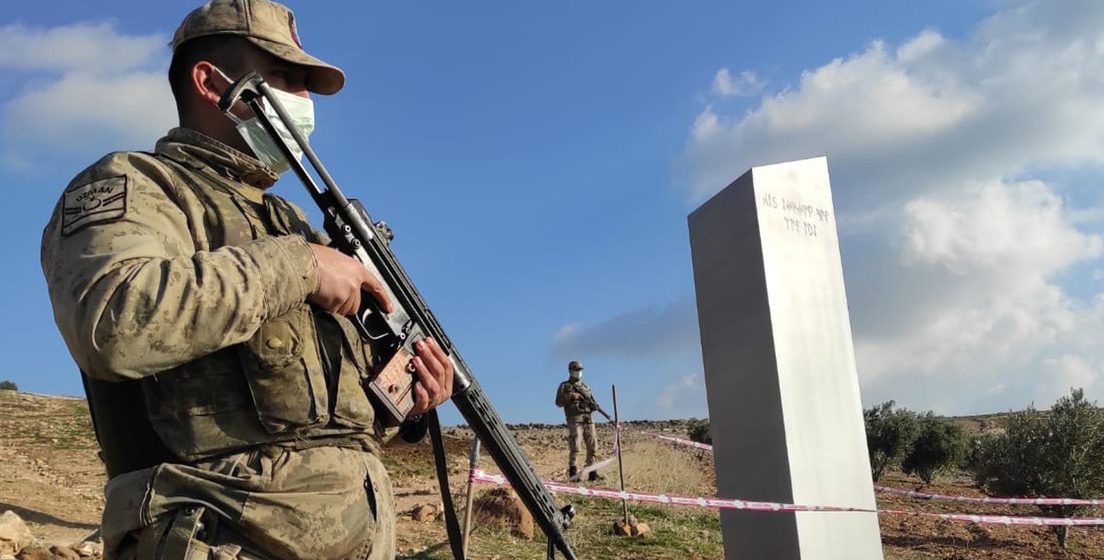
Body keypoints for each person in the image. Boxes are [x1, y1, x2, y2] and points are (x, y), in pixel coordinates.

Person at [39, 1, 454, 559]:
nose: (303, 101)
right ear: (211, 83)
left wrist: (406, 400)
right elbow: (112, 323)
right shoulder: (138, 186)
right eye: (286, 77)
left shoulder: (294, 222)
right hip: (215, 538)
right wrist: (299, 267)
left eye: (306, 85)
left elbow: (325, 422)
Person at [554, 360, 601, 481]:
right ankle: (573, 473)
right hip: (575, 419)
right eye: (576, 370)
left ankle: (592, 472)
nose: (578, 373)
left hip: (588, 418)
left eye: (580, 370)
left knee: (593, 445)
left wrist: (594, 406)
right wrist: (570, 397)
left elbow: (592, 402)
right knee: (576, 445)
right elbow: (558, 402)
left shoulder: (585, 387)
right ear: (570, 371)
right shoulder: (565, 386)